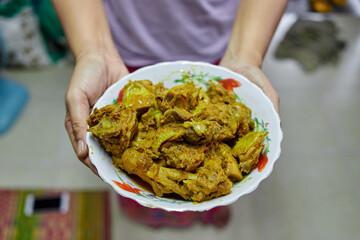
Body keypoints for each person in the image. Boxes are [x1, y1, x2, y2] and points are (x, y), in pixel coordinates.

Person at [52, 0, 287, 227]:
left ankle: (204, 211)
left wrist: (245, 55)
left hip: (225, 48)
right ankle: (152, 215)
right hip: (120, 54)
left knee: (212, 190)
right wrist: (96, 52)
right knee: (136, 182)